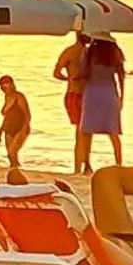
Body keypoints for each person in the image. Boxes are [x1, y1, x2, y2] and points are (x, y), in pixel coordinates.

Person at [77, 31, 127, 173]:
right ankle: (119, 164)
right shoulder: (115, 55)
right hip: (109, 93)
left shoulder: (89, 53)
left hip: (92, 93)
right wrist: (121, 97)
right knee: (113, 132)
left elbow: (83, 73)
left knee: (87, 131)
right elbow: (121, 78)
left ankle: (87, 164)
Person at [52, 29, 89, 171]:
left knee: (82, 133)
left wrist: (68, 78)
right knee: (81, 133)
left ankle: (82, 166)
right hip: (75, 94)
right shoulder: (80, 52)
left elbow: (57, 73)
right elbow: (56, 72)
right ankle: (79, 167)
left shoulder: (73, 52)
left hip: (77, 94)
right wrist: (70, 79)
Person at [0, 75, 32, 169]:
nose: (2, 88)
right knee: (11, 155)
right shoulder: (7, 97)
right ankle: (14, 170)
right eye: (1, 86)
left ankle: (17, 171)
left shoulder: (19, 96)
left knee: (12, 151)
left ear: (11, 85)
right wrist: (0, 131)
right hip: (8, 128)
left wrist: (25, 128)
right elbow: (6, 116)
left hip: (20, 127)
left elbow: (27, 114)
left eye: (4, 85)